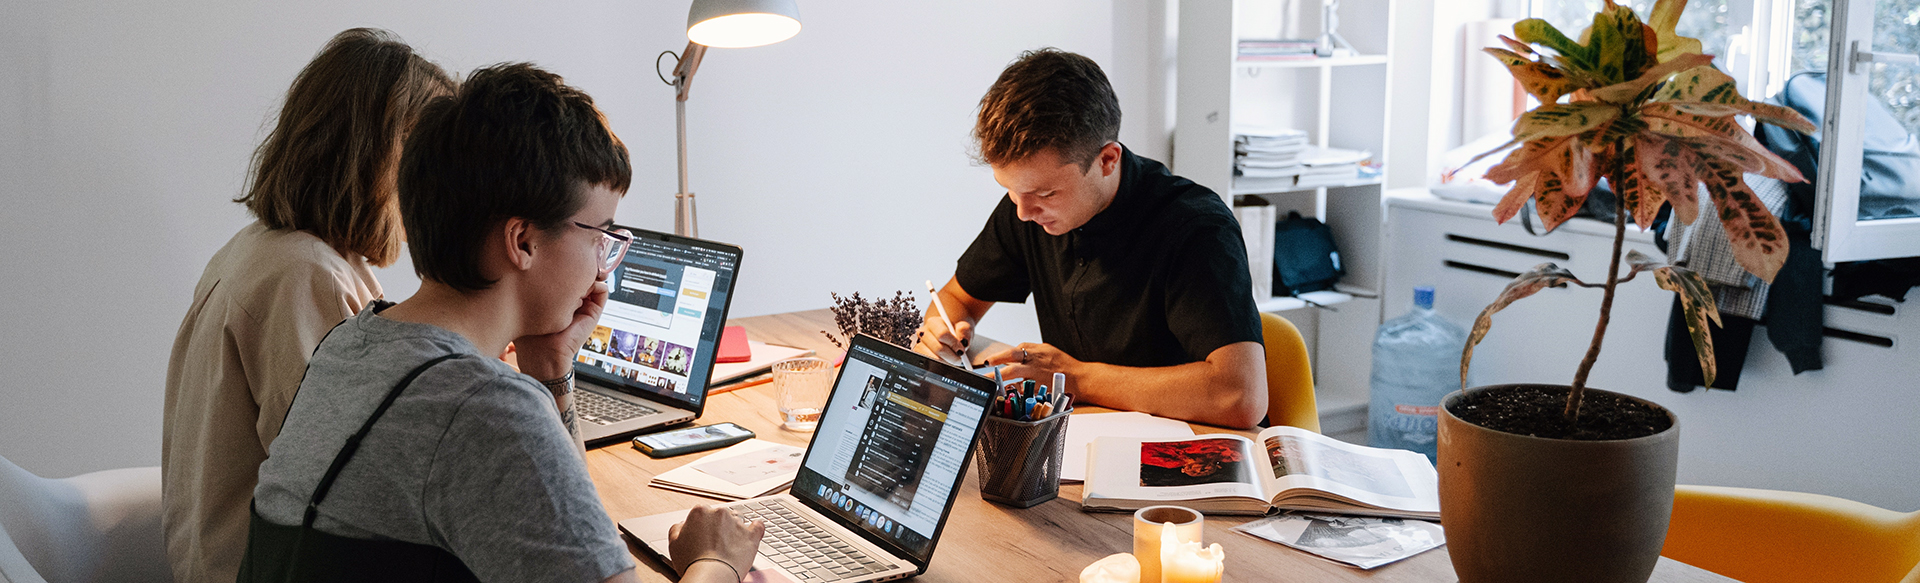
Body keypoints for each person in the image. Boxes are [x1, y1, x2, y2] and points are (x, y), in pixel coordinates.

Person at [239, 63, 761, 583]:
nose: (605, 267)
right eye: (600, 234)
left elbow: (579, 543)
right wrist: (714, 561)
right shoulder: (484, 412)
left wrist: (550, 367)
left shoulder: (351, 346)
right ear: (523, 242)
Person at [161, 28, 454, 583]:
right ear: (378, 155)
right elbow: (353, 485)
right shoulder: (306, 277)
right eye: (428, 158)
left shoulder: (263, 249)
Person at [916, 48, 1268, 429]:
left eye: (1046, 193)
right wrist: (943, 332)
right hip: (1088, 435)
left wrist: (1078, 379)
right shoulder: (1028, 205)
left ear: (1107, 160)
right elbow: (954, 298)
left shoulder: (1195, 228)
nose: (1023, 212)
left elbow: (1241, 395)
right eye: (1011, 189)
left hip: (1193, 450)